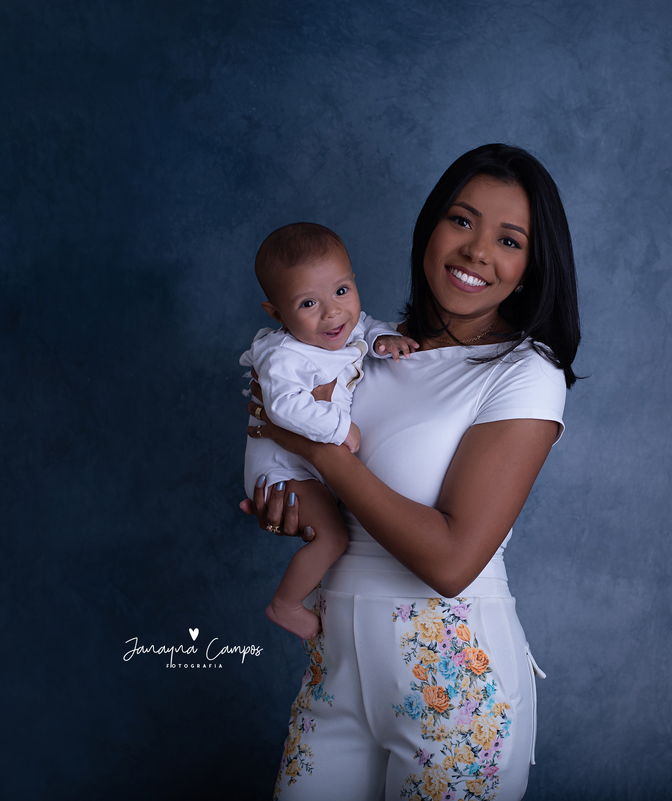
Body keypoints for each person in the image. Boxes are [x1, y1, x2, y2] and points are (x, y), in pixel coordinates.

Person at [240, 144, 580, 800]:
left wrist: (319, 451)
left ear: (530, 267)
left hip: (453, 688)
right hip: (337, 669)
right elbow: (337, 496)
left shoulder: (525, 371)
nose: (477, 250)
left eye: (509, 240)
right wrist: (288, 496)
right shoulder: (359, 347)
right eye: (462, 220)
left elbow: (451, 561)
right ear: (430, 227)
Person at [241, 222, 420, 640]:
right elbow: (283, 407)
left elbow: (365, 324)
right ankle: (286, 605)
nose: (332, 312)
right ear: (277, 314)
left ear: (353, 280)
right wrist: (341, 428)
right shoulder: (284, 356)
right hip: (285, 471)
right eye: (308, 303)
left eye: (342, 291)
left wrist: (384, 338)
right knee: (333, 537)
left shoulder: (343, 325)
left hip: (310, 468)